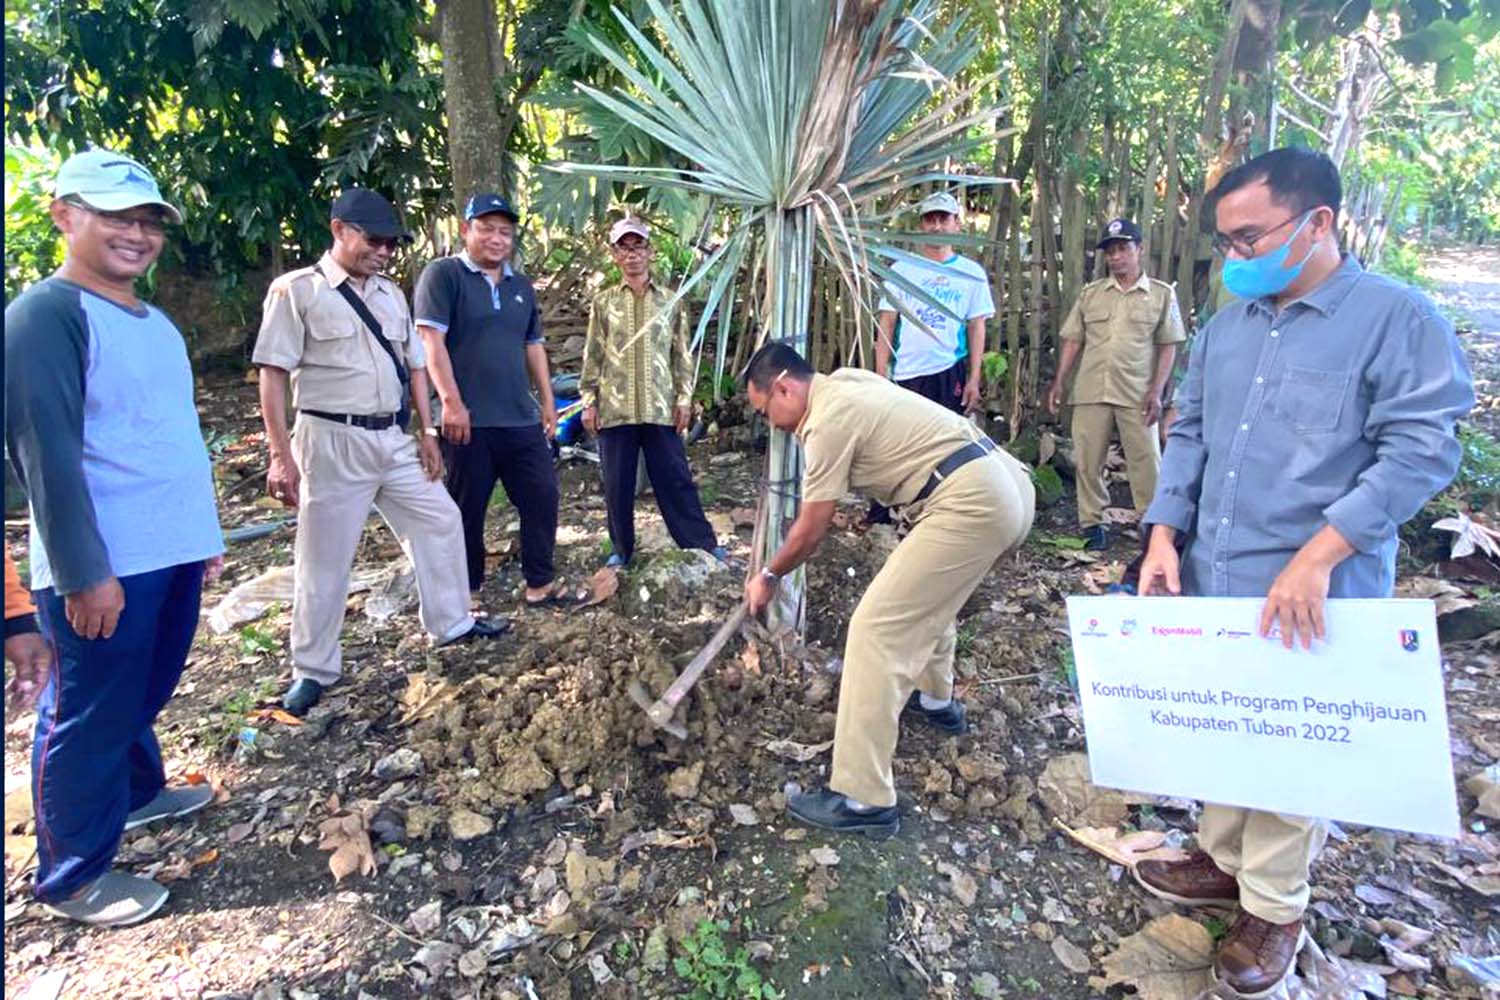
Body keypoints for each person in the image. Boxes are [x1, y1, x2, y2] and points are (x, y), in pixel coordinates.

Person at [1132, 148, 1473, 997]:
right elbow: (1191, 432)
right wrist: (1165, 534)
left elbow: (1421, 451)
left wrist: (1319, 554)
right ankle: (1222, 859)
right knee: (1223, 724)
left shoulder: (1396, 319)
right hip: (1216, 569)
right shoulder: (1227, 327)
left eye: (1251, 238)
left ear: (1318, 221)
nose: (1236, 257)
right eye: (1226, 243)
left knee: (1293, 746)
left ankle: (1275, 907)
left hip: (1318, 587)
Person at [4, 148, 225, 926]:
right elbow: (46, 454)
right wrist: (81, 571)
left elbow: (166, 433)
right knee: (89, 711)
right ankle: (71, 876)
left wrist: (202, 532)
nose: (136, 235)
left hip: (168, 548)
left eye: (148, 222)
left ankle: (136, 793)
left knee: (142, 688)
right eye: (115, 218)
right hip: (106, 561)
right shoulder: (45, 316)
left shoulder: (152, 322)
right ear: (65, 216)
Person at [741, 343, 1034, 837]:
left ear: (785, 388)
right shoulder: (847, 381)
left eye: (765, 411)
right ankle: (937, 701)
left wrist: (768, 575)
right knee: (928, 595)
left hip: (971, 499)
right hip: (1006, 484)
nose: (770, 424)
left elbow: (812, 528)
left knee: (876, 630)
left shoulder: (825, 423)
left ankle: (864, 798)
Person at [253, 188, 505, 718]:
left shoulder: (391, 294)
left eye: (392, 244)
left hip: (392, 437)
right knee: (324, 557)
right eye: (374, 240)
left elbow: (415, 366)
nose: (384, 252)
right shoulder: (298, 291)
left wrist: (428, 431)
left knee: (440, 518)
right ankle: (313, 669)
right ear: (339, 230)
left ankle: (452, 622)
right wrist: (279, 455)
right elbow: (272, 374)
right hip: (330, 439)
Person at [414, 193, 564, 606]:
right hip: (467, 421)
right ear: (466, 230)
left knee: (542, 494)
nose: (497, 239)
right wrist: (451, 402)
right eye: (486, 229)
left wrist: (547, 401)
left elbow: (533, 345)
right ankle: (468, 592)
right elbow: (431, 342)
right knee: (467, 508)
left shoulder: (521, 286)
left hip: (519, 416)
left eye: (505, 232)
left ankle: (539, 583)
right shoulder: (443, 275)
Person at [579, 217, 727, 568]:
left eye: (638, 247)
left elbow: (682, 355)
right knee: (617, 484)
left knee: (675, 479)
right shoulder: (604, 302)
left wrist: (684, 399)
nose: (632, 255)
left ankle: (701, 543)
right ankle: (621, 550)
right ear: (615, 255)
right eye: (624, 248)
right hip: (615, 408)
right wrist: (589, 401)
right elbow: (593, 355)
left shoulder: (671, 300)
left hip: (660, 407)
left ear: (650, 252)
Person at [1046, 218, 1186, 551]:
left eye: (1123, 248)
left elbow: (1169, 345)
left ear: (1140, 249)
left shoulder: (1161, 295)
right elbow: (1073, 340)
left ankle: (1151, 524)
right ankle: (1092, 523)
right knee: (1087, 458)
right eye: (1110, 251)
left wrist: (1157, 391)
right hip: (1092, 387)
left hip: (1137, 392)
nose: (1116, 257)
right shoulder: (1092, 294)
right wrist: (1059, 381)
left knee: (1147, 460)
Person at [869, 191, 996, 524]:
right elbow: (886, 324)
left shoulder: (971, 273)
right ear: (921, 224)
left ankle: (936, 510)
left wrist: (973, 378)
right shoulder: (902, 270)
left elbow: (977, 326)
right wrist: (880, 376)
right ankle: (882, 511)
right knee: (895, 441)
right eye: (930, 219)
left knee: (945, 442)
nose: (936, 225)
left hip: (948, 369)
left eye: (943, 218)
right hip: (907, 371)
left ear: (956, 224)